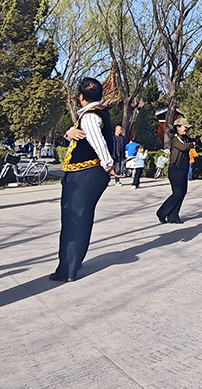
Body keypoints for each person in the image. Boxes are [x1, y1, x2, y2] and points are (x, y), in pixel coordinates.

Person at [52, 77, 116, 282]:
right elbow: (84, 137)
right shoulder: (98, 114)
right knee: (81, 217)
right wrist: (69, 133)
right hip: (88, 174)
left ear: (81, 97)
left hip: (85, 173)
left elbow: (98, 143)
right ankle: (74, 261)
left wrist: (108, 165)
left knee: (74, 219)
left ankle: (68, 269)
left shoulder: (89, 116)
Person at [156, 117, 194, 224]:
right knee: (177, 193)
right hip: (175, 169)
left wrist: (199, 140)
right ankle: (162, 212)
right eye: (184, 127)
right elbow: (183, 147)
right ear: (178, 127)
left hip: (183, 169)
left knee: (183, 192)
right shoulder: (175, 139)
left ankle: (173, 215)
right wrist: (193, 144)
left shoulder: (185, 138)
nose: (186, 129)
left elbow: (190, 142)